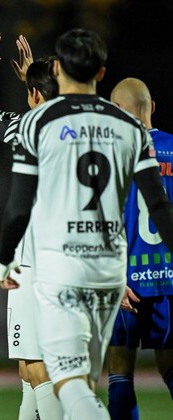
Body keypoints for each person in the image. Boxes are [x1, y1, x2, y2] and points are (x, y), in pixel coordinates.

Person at [0, 28, 173, 420]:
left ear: (57, 68)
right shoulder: (130, 127)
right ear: (102, 72)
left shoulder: (36, 123)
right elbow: (159, 205)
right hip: (110, 272)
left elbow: (19, 206)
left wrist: (4, 259)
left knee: (68, 383)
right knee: (85, 383)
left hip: (62, 267)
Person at [0, 32, 63, 419]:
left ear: (34, 94)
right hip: (72, 257)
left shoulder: (24, 127)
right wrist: (34, 82)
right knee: (28, 368)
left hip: (32, 258)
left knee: (36, 368)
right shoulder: (85, 129)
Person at [106, 77, 173, 419]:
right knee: (170, 364)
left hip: (127, 280)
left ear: (118, 111)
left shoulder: (113, 153)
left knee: (120, 368)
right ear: (152, 108)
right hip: (169, 280)